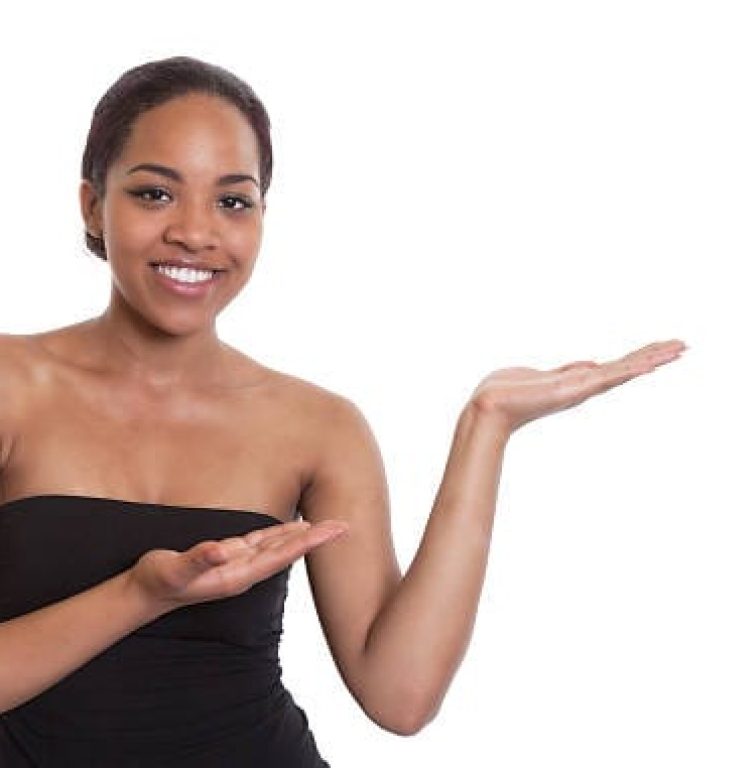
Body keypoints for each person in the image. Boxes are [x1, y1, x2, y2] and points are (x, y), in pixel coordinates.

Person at [0, 55, 687, 766]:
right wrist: (143, 594)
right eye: (155, 194)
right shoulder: (11, 382)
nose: (196, 233)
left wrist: (488, 426)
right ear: (91, 205)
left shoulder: (318, 426)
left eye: (232, 201)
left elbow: (399, 696)